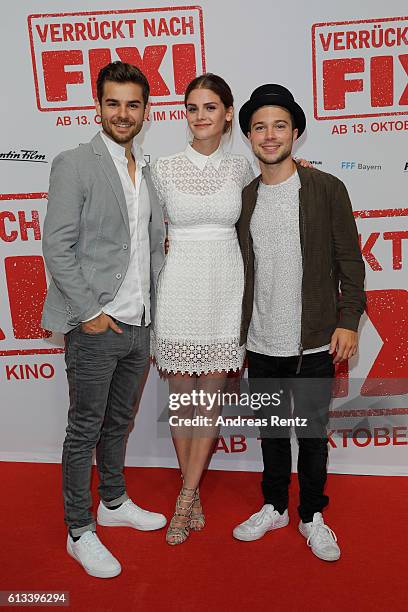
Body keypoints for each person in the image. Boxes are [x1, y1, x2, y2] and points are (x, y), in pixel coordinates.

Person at [41, 61, 167, 578]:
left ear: (145, 111)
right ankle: (79, 529)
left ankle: (113, 504)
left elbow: (149, 247)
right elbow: (56, 244)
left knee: (119, 423)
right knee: (84, 429)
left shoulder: (149, 170)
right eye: (112, 103)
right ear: (97, 106)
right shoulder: (75, 162)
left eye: (132, 104)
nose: (122, 113)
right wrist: (90, 313)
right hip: (96, 324)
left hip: (139, 323)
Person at [232, 84, 366, 561]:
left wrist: (348, 320)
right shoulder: (243, 198)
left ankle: (311, 515)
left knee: (310, 434)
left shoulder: (327, 189)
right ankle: (274, 506)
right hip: (261, 342)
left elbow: (351, 263)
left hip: (313, 343)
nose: (270, 135)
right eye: (260, 127)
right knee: (271, 431)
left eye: (280, 126)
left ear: (296, 133)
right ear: (249, 135)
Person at [150, 73, 255, 544]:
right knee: (182, 401)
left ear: (228, 113)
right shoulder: (164, 168)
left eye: (210, 107)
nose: (200, 116)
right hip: (179, 284)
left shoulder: (244, 169)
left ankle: (186, 495)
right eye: (192, 108)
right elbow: (148, 236)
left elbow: (262, 217)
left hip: (227, 286)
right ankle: (188, 490)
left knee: (208, 400)